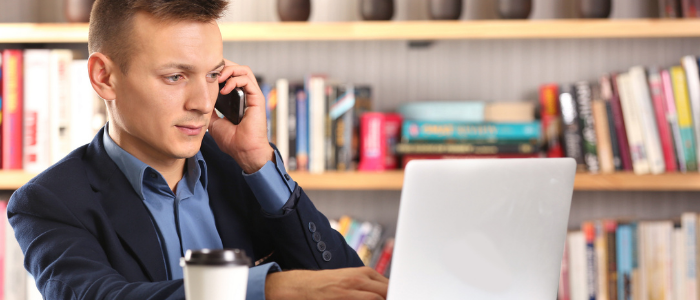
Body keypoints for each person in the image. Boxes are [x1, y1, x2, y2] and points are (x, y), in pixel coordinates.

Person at [7, 0, 389, 299]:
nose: (204, 103)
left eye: (212, 75)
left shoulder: (246, 172)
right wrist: (268, 289)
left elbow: (347, 285)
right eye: (175, 77)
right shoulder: (48, 202)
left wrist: (259, 162)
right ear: (104, 77)